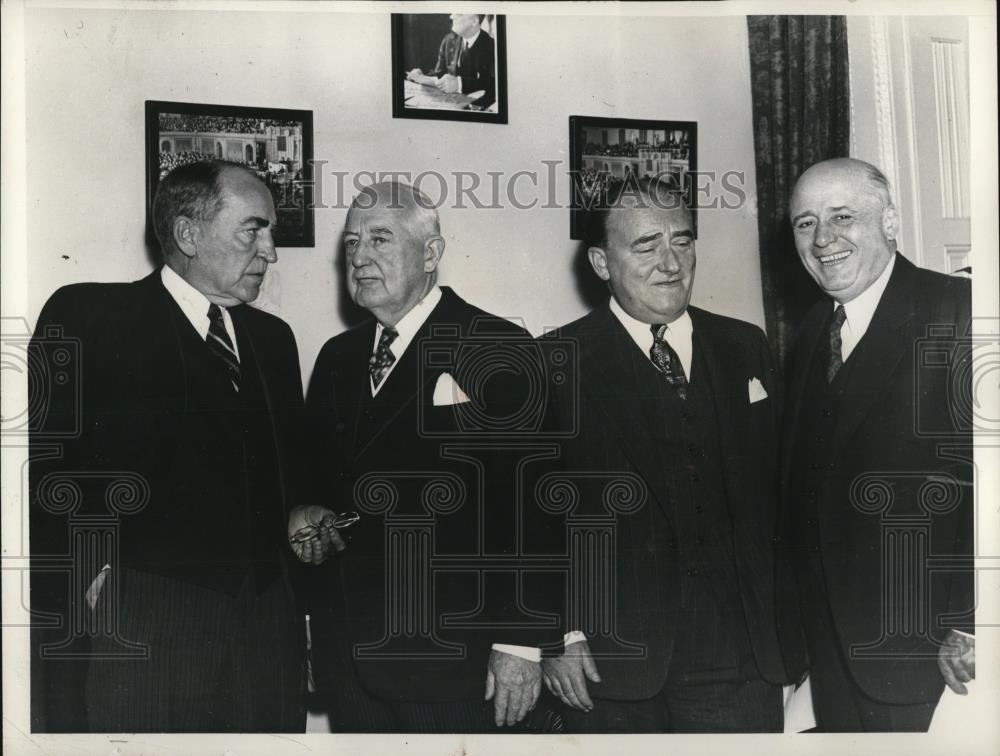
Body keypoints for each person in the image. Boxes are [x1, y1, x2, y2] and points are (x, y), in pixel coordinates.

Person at [29, 161, 308, 732]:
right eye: (252, 230)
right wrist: (93, 583)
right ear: (188, 235)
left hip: (265, 631)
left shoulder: (274, 341)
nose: (271, 251)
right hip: (145, 620)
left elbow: (289, 480)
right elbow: (42, 467)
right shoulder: (91, 317)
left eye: (270, 232)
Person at [294, 181, 558, 732]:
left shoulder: (497, 346)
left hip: (455, 663)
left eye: (381, 240)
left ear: (431, 254)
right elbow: (316, 487)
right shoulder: (337, 357)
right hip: (351, 660)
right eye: (351, 244)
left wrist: (521, 642)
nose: (360, 258)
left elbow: (537, 508)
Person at [539, 178, 789, 732]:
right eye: (646, 245)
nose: (670, 262)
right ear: (602, 262)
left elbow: (779, 494)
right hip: (608, 660)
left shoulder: (744, 344)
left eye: (682, 240)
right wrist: (555, 634)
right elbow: (526, 520)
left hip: (739, 653)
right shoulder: (554, 360)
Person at [777, 157, 974, 731]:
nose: (823, 240)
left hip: (933, 651)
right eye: (805, 223)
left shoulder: (958, 314)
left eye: (843, 217)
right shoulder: (815, 330)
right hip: (834, 649)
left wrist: (972, 623)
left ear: (890, 222)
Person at [407, 14, 496, 109]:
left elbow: (494, 84)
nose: (451, 16)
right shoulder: (449, 40)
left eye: (459, 14)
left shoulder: (492, 46)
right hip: (449, 105)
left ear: (474, 21)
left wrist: (460, 84)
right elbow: (440, 75)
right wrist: (421, 76)